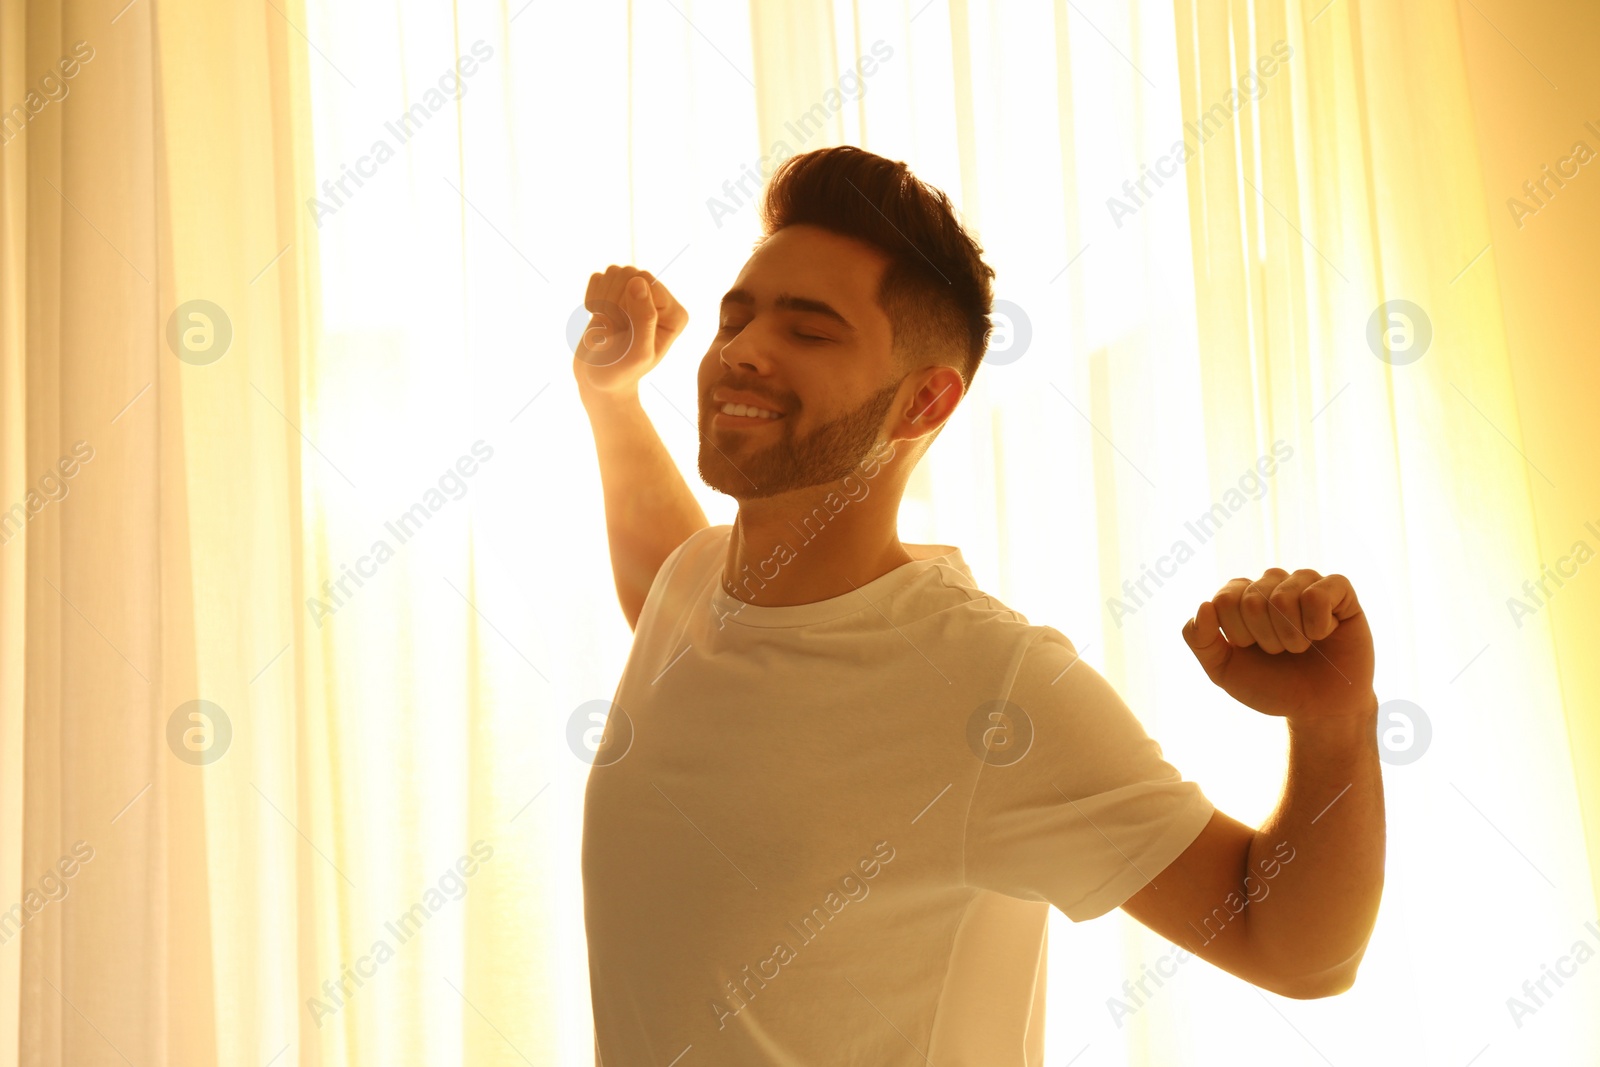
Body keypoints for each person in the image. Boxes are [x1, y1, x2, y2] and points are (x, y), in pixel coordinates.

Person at [574, 145, 1384, 1066]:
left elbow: (1298, 954)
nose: (742, 350)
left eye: (808, 330)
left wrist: (1334, 725)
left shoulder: (994, 690)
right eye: (737, 317)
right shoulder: (697, 584)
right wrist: (612, 398)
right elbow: (670, 594)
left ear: (924, 400)